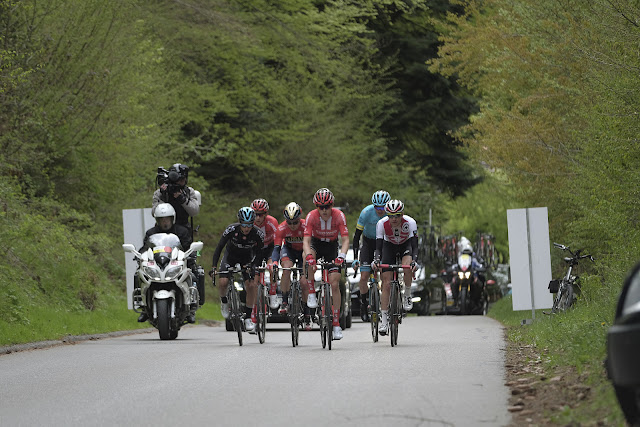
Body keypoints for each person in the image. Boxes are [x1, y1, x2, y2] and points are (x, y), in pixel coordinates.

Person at [152, 163, 204, 304]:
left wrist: (181, 199)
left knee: (190, 263)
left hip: (183, 231)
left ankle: (192, 298)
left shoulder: (189, 192)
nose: (180, 183)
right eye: (178, 180)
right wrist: (165, 195)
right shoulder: (160, 192)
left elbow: (194, 211)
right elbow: (154, 211)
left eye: (182, 180)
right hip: (162, 231)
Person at [136, 203, 195, 324]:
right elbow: (145, 248)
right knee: (138, 274)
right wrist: (139, 255)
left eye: (167, 219)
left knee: (194, 273)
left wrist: (192, 255)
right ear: (157, 220)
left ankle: (191, 307)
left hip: (176, 263)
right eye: (162, 219)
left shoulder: (182, 231)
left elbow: (189, 247)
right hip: (157, 264)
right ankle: (143, 305)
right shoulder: (151, 233)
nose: (165, 222)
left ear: (172, 218)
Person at [303, 188, 350, 340]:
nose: (324, 210)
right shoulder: (311, 216)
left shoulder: (339, 216)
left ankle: (336, 324)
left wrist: (342, 256)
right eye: (320, 207)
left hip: (331, 246)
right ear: (317, 207)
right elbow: (306, 241)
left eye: (327, 206)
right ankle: (311, 292)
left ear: (332, 205)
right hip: (316, 244)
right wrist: (310, 256)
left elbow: (345, 239)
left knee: (334, 284)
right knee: (307, 258)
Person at [210, 207, 265, 333]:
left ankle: (248, 318)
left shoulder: (257, 234)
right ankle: (224, 302)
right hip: (230, 257)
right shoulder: (231, 229)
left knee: (251, 285)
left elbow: (260, 253)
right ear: (240, 222)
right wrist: (214, 267)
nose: (246, 228)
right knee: (223, 282)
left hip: (247, 258)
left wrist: (253, 265)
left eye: (249, 225)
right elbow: (219, 248)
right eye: (244, 225)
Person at [371, 199, 419, 336]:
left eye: (397, 215)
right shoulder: (381, 224)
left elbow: (415, 246)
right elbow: (378, 247)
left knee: (407, 266)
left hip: (405, 245)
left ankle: (407, 294)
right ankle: (384, 321)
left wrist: (415, 261)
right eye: (391, 215)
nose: (394, 219)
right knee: (386, 284)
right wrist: (377, 260)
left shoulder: (410, 222)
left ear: (402, 214)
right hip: (389, 247)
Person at [270, 202, 314, 330]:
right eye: (289, 222)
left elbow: (312, 245)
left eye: (295, 222)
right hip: (288, 250)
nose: (293, 225)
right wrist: (274, 262)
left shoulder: (306, 225)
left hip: (303, 252)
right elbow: (277, 248)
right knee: (286, 268)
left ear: (300, 219)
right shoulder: (282, 228)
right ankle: (284, 301)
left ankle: (307, 313)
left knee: (304, 282)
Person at [351, 190, 390, 321]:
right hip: (368, 243)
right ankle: (363, 304)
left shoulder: (391, 213)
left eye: (382, 207)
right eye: (377, 207)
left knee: (385, 275)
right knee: (364, 276)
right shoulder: (366, 213)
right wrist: (356, 258)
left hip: (384, 243)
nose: (380, 210)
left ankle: (384, 302)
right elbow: (356, 237)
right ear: (373, 206)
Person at [250, 198, 280, 309]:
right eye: (255, 214)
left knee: (272, 268)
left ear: (265, 214)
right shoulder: (250, 222)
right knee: (254, 277)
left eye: (261, 215)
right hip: (255, 249)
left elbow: (278, 239)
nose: (258, 218)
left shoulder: (272, 222)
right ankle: (254, 306)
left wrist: (274, 259)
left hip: (269, 248)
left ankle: (273, 293)